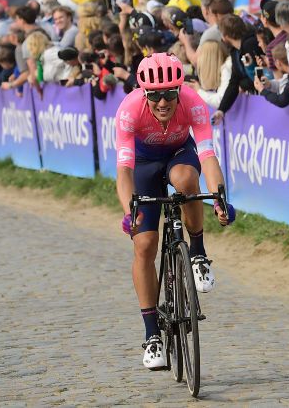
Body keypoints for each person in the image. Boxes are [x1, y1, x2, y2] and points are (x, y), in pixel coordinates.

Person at [114, 53, 234, 369]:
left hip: (180, 153)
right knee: (144, 245)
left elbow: (207, 155)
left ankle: (197, 252)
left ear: (179, 91)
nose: (163, 102)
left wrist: (220, 197)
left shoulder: (193, 102)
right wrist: (130, 211)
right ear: (145, 93)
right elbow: (124, 170)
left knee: (186, 180)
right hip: (143, 164)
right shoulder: (129, 109)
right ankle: (152, 335)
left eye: (169, 94)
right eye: (155, 96)